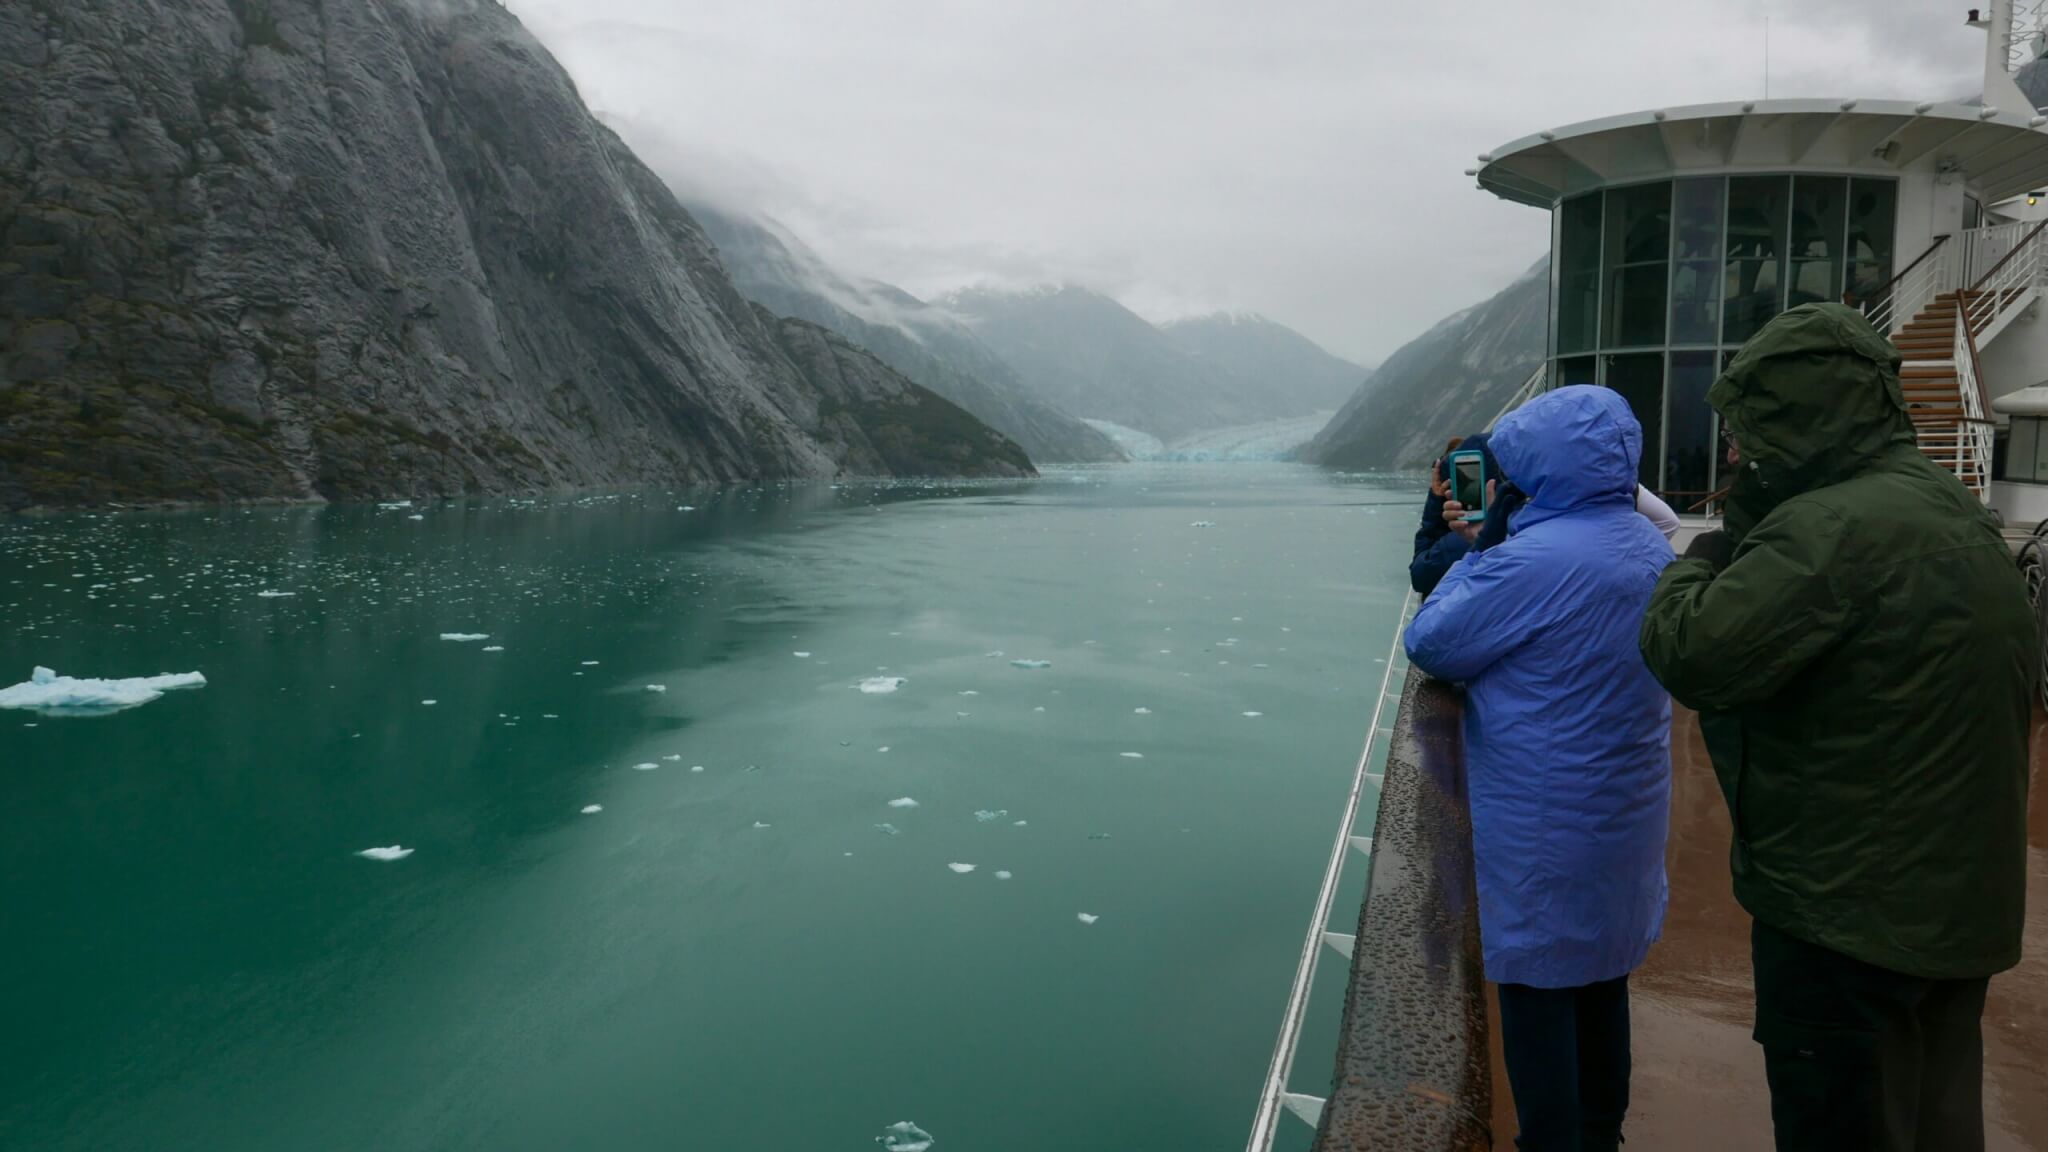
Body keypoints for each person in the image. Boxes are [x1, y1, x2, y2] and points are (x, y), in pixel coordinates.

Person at [1638, 303, 2035, 1151]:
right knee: (1934, 1122)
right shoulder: (1949, 503)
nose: (1738, 451)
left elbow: (1692, 653)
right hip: (1955, 903)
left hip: (1848, 915)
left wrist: (1703, 557)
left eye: (1750, 428)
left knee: (1844, 1124)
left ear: (1799, 418)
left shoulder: (1828, 528)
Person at [1404, 385, 1674, 1152]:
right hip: (1626, 809)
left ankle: (1552, 1143)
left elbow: (1432, 642)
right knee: (1602, 977)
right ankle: (1601, 1134)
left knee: (1538, 991)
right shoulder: (1646, 545)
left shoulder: (1528, 563)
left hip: (1543, 817)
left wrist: (1480, 549)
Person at [1412, 432, 1680, 598]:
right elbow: (1668, 521)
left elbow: (1421, 578)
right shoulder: (1649, 549)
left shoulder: (1472, 544)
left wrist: (1436, 504)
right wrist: (1615, 478)